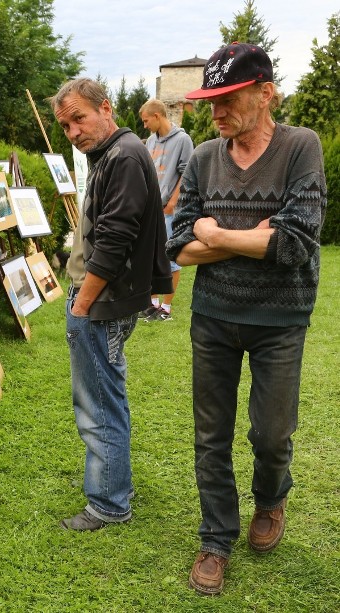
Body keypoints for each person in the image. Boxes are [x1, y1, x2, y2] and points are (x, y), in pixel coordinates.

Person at [166, 43, 327, 595]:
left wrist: (214, 234)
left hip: (280, 319)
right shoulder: (204, 157)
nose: (216, 114)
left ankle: (271, 498)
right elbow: (177, 247)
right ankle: (215, 539)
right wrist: (251, 238)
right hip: (213, 316)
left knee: (271, 432)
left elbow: (298, 242)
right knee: (211, 435)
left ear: (265, 93)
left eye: (228, 99)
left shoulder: (300, 146)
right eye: (210, 103)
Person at [48, 79, 172, 531]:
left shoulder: (122, 155)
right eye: (64, 126)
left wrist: (81, 304)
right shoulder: (115, 153)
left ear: (105, 107)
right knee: (106, 398)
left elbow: (116, 239)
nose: (73, 132)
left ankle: (109, 504)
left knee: (99, 404)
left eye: (79, 118)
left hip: (102, 302)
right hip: (105, 299)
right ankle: (115, 486)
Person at [139, 98, 194, 321]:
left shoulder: (183, 140)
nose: (144, 126)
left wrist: (172, 203)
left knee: (170, 257)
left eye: (145, 121)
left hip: (171, 209)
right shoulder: (150, 141)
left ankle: (166, 308)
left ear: (157, 116)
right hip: (153, 209)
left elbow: (187, 174)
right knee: (152, 256)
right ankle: (152, 304)